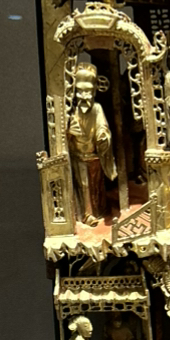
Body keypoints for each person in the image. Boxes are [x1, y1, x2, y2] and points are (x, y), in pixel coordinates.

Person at [67, 62, 117, 226]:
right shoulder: (71, 111)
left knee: (97, 186)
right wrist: (69, 132)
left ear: (94, 91)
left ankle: (99, 209)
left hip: (94, 156)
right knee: (84, 185)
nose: (83, 96)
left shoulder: (96, 109)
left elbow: (102, 127)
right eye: (79, 91)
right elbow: (62, 136)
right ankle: (86, 214)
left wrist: (102, 136)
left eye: (87, 91)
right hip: (79, 157)